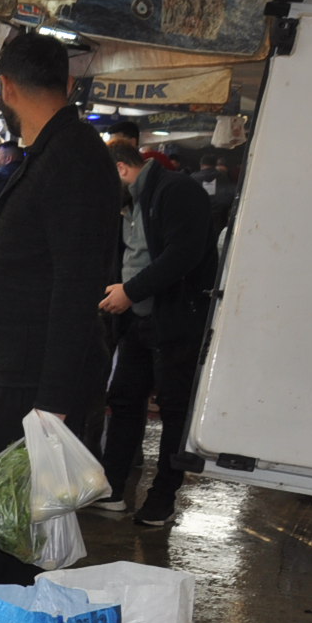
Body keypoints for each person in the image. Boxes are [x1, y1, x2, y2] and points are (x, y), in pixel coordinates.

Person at [0, 32, 121, 586]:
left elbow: (76, 287)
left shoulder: (72, 158)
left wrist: (53, 402)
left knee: (6, 526)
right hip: (19, 372)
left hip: (34, 385)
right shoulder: (54, 150)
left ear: (5, 86)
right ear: (68, 83)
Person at [94, 140, 219, 528]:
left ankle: (163, 498)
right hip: (137, 321)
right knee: (125, 401)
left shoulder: (176, 191)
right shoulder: (128, 202)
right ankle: (111, 489)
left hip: (176, 320)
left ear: (118, 169)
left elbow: (184, 255)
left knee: (173, 410)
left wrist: (130, 292)